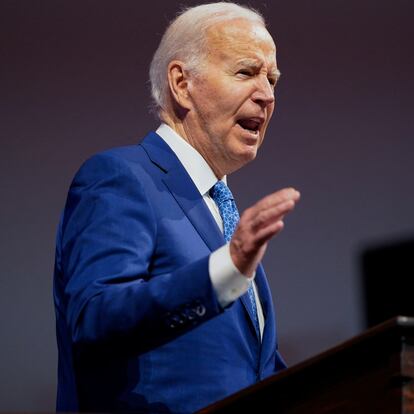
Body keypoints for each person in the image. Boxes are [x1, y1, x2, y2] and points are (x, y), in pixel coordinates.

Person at [53, 2, 300, 413]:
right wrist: (226, 269)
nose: (267, 94)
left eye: (272, 79)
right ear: (182, 84)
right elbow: (95, 318)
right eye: (246, 72)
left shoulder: (221, 214)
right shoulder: (120, 177)